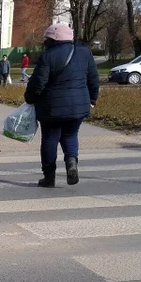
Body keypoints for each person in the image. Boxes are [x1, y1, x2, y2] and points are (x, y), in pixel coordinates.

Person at [24, 23, 98, 188]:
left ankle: (49, 177)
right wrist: (93, 99)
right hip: (79, 107)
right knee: (71, 135)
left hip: (52, 108)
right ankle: (71, 162)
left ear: (51, 39)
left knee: (50, 139)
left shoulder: (48, 56)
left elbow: (38, 83)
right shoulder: (85, 53)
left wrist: (29, 98)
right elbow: (93, 78)